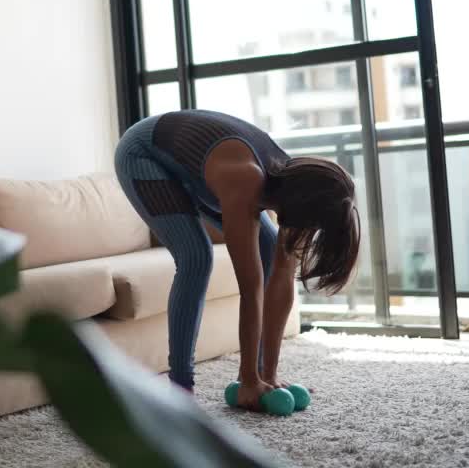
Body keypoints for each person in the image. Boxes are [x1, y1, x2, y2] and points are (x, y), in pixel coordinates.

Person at [114, 109, 360, 409]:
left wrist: (268, 375)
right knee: (197, 257)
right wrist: (247, 379)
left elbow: (282, 275)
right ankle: (181, 388)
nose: (309, 233)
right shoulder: (245, 178)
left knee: (271, 251)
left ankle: (259, 377)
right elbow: (251, 286)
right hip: (144, 154)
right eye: (314, 225)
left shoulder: (303, 185)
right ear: (302, 207)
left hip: (202, 171)